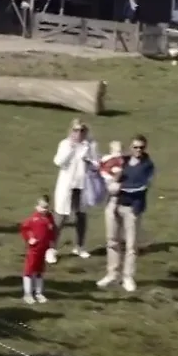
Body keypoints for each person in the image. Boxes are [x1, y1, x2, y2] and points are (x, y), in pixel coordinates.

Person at [99, 135, 155, 293]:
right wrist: (108, 181)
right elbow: (105, 169)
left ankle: (128, 277)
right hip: (113, 204)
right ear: (130, 148)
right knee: (112, 241)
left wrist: (119, 186)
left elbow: (141, 185)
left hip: (132, 208)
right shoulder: (122, 161)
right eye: (135, 147)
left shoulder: (147, 166)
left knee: (131, 245)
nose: (138, 150)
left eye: (141, 147)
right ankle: (112, 274)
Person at [50, 119, 100, 261]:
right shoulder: (65, 144)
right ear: (71, 131)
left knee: (81, 216)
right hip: (67, 186)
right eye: (76, 130)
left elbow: (97, 164)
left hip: (82, 186)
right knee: (60, 217)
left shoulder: (91, 145)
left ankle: (80, 246)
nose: (79, 133)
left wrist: (89, 160)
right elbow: (58, 162)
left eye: (82, 130)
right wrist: (71, 149)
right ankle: (52, 249)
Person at [18, 196, 57, 304]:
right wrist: (30, 238)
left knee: (40, 271)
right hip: (34, 249)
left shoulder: (50, 218)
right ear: (37, 207)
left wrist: (52, 244)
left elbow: (52, 231)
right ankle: (27, 294)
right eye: (42, 207)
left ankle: (39, 293)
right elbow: (24, 229)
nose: (44, 209)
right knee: (29, 270)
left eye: (46, 207)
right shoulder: (33, 219)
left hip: (44, 249)